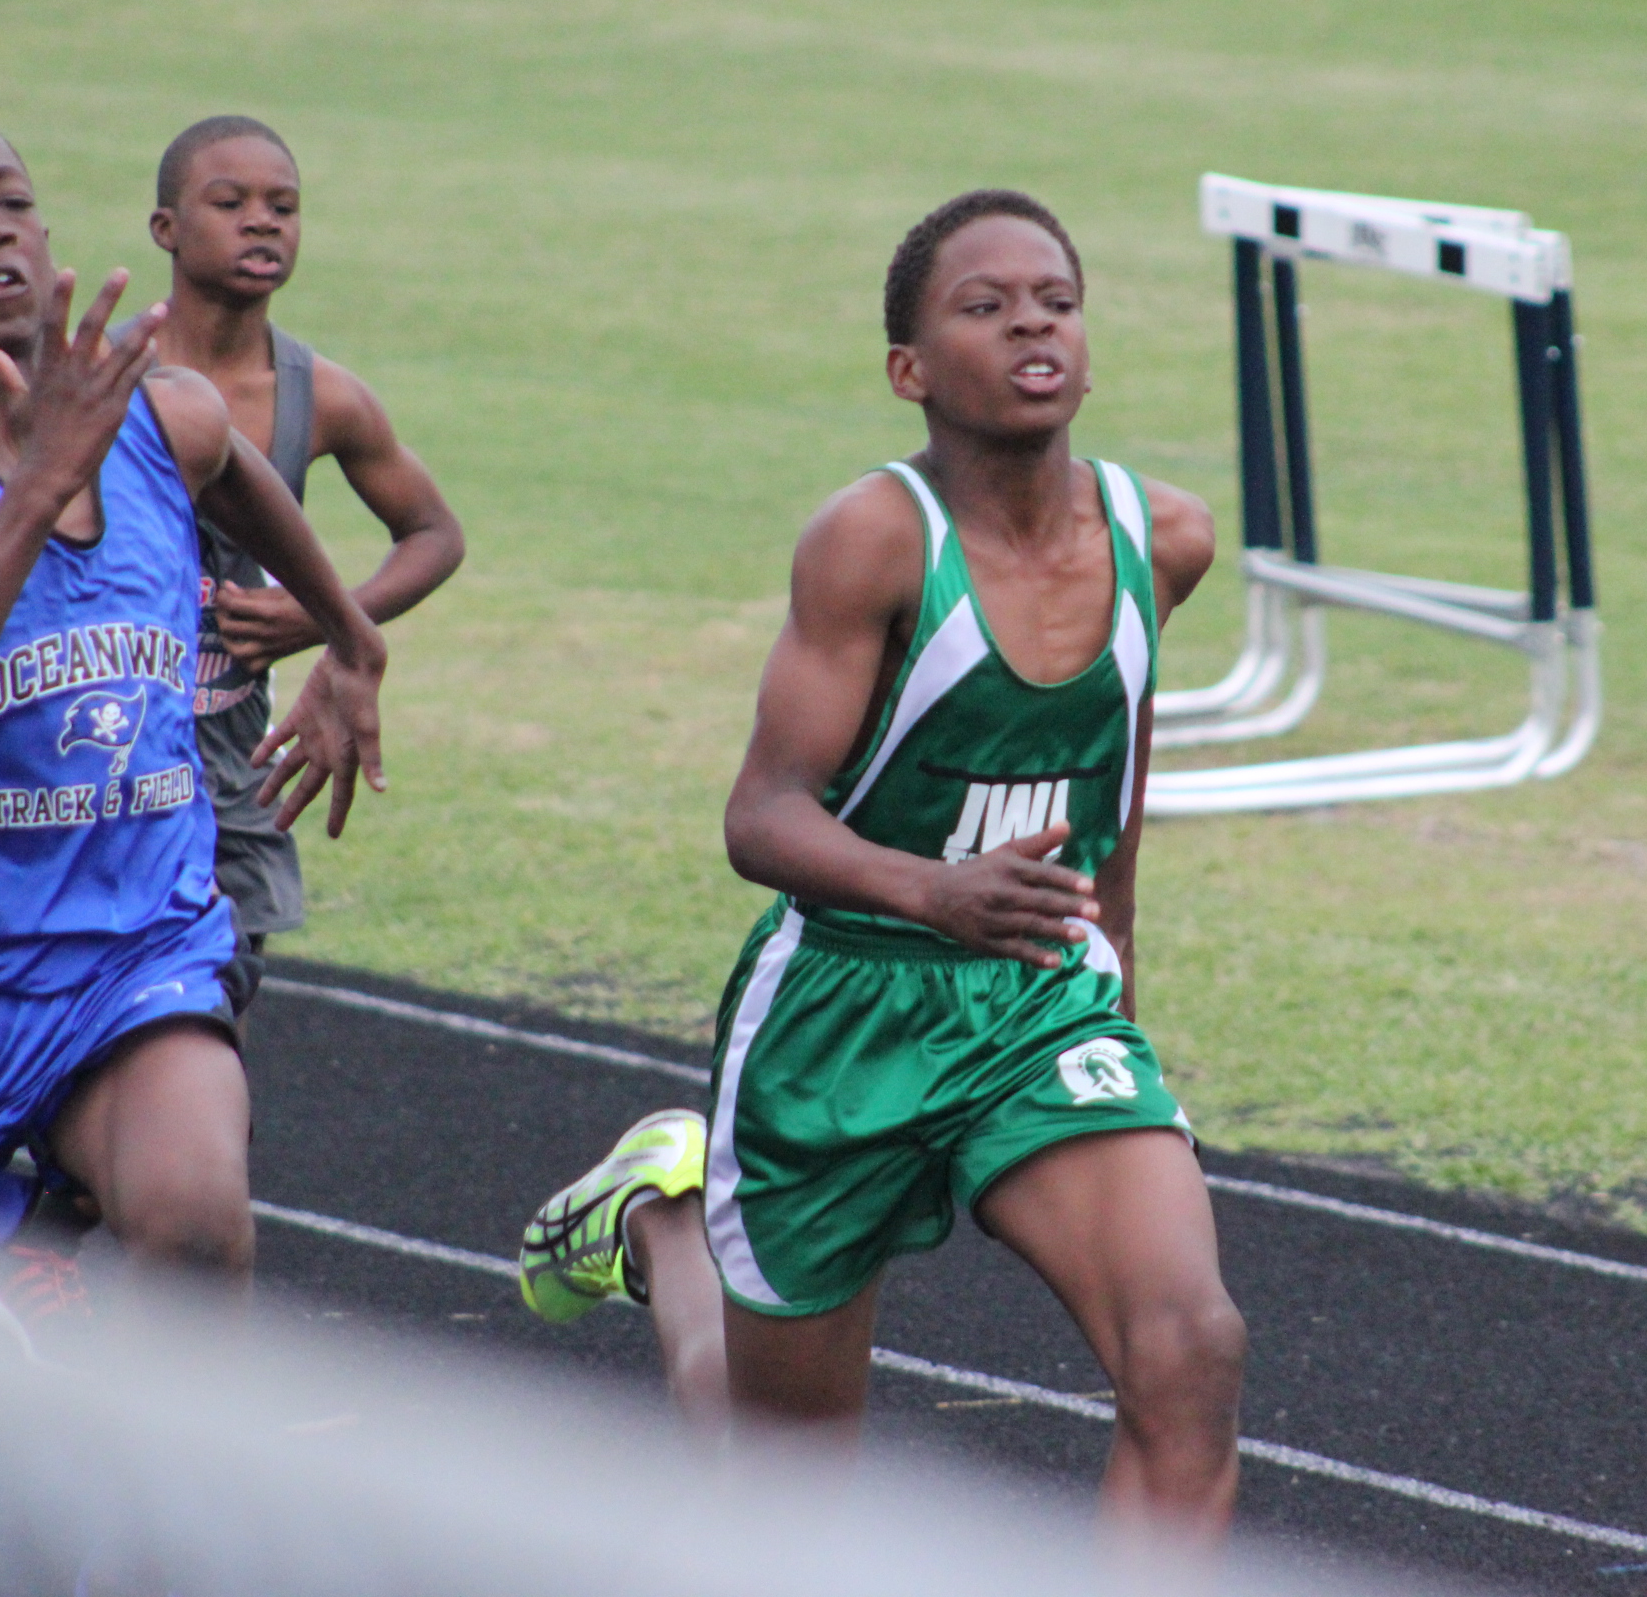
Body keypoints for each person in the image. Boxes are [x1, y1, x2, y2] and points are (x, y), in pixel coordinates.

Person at [512, 190, 1243, 1541]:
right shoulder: (874, 540)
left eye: (1057, 302)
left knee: (1190, 1350)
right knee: (784, 1509)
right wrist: (936, 892)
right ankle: (663, 1225)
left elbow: (1114, 780)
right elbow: (762, 816)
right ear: (910, 370)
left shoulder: (1167, 541)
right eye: (985, 305)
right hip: (844, 1008)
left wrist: (1117, 979)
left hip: (1036, 1001)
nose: (1031, 323)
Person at [0, 104, 390, 1328]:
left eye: (11, 202)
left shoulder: (167, 416)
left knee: (196, 1226)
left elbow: (240, 475)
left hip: (142, 953)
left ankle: (164, 1460)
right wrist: (38, 486)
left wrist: (349, 635)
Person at [138, 113, 462, 1000]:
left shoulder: (321, 397)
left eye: (283, 207)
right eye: (230, 203)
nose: (262, 221)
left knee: (213, 1039)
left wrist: (325, 615)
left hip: (231, 780)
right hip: (99, 762)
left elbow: (435, 534)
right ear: (166, 228)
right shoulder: (99, 369)